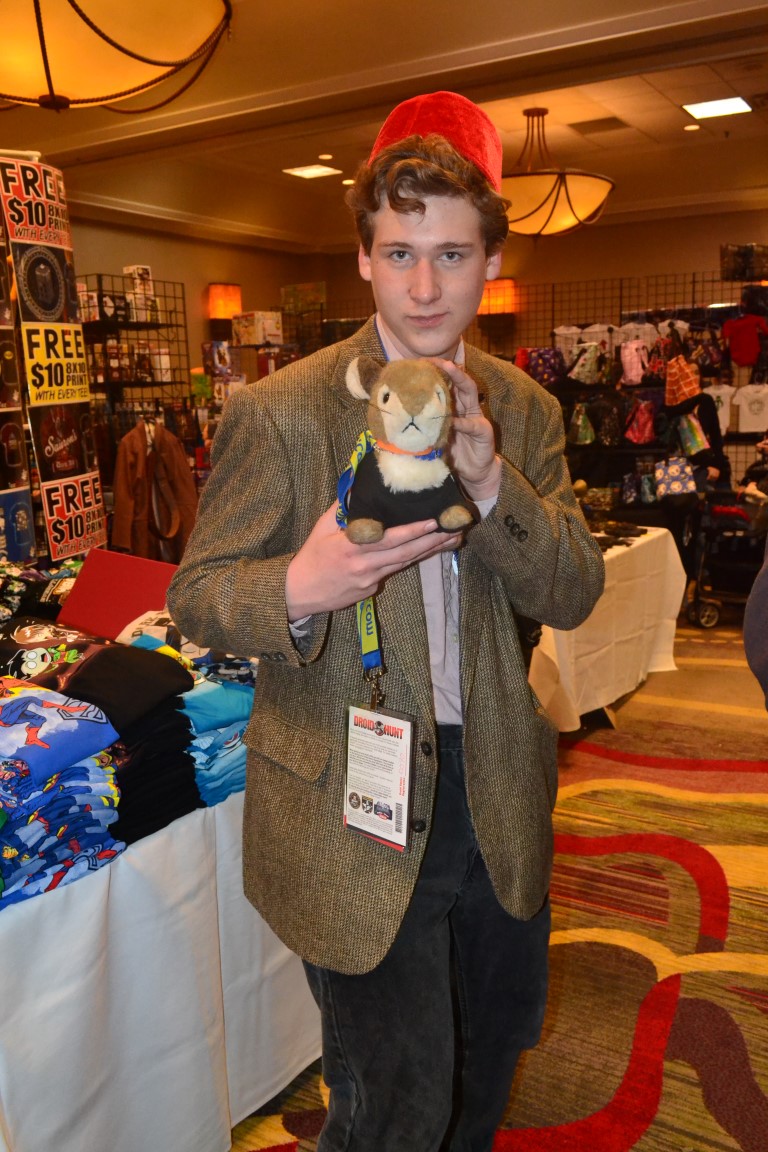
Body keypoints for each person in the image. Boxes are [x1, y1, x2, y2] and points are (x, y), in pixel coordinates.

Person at [167, 90, 605, 1152]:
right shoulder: (280, 410)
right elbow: (198, 595)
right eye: (400, 253)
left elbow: (574, 590)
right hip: (348, 804)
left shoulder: (526, 411)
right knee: (394, 1107)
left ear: (489, 262)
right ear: (363, 256)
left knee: (490, 1060)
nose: (424, 287)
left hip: (496, 789)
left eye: (452, 255)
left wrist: (494, 489)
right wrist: (300, 584)